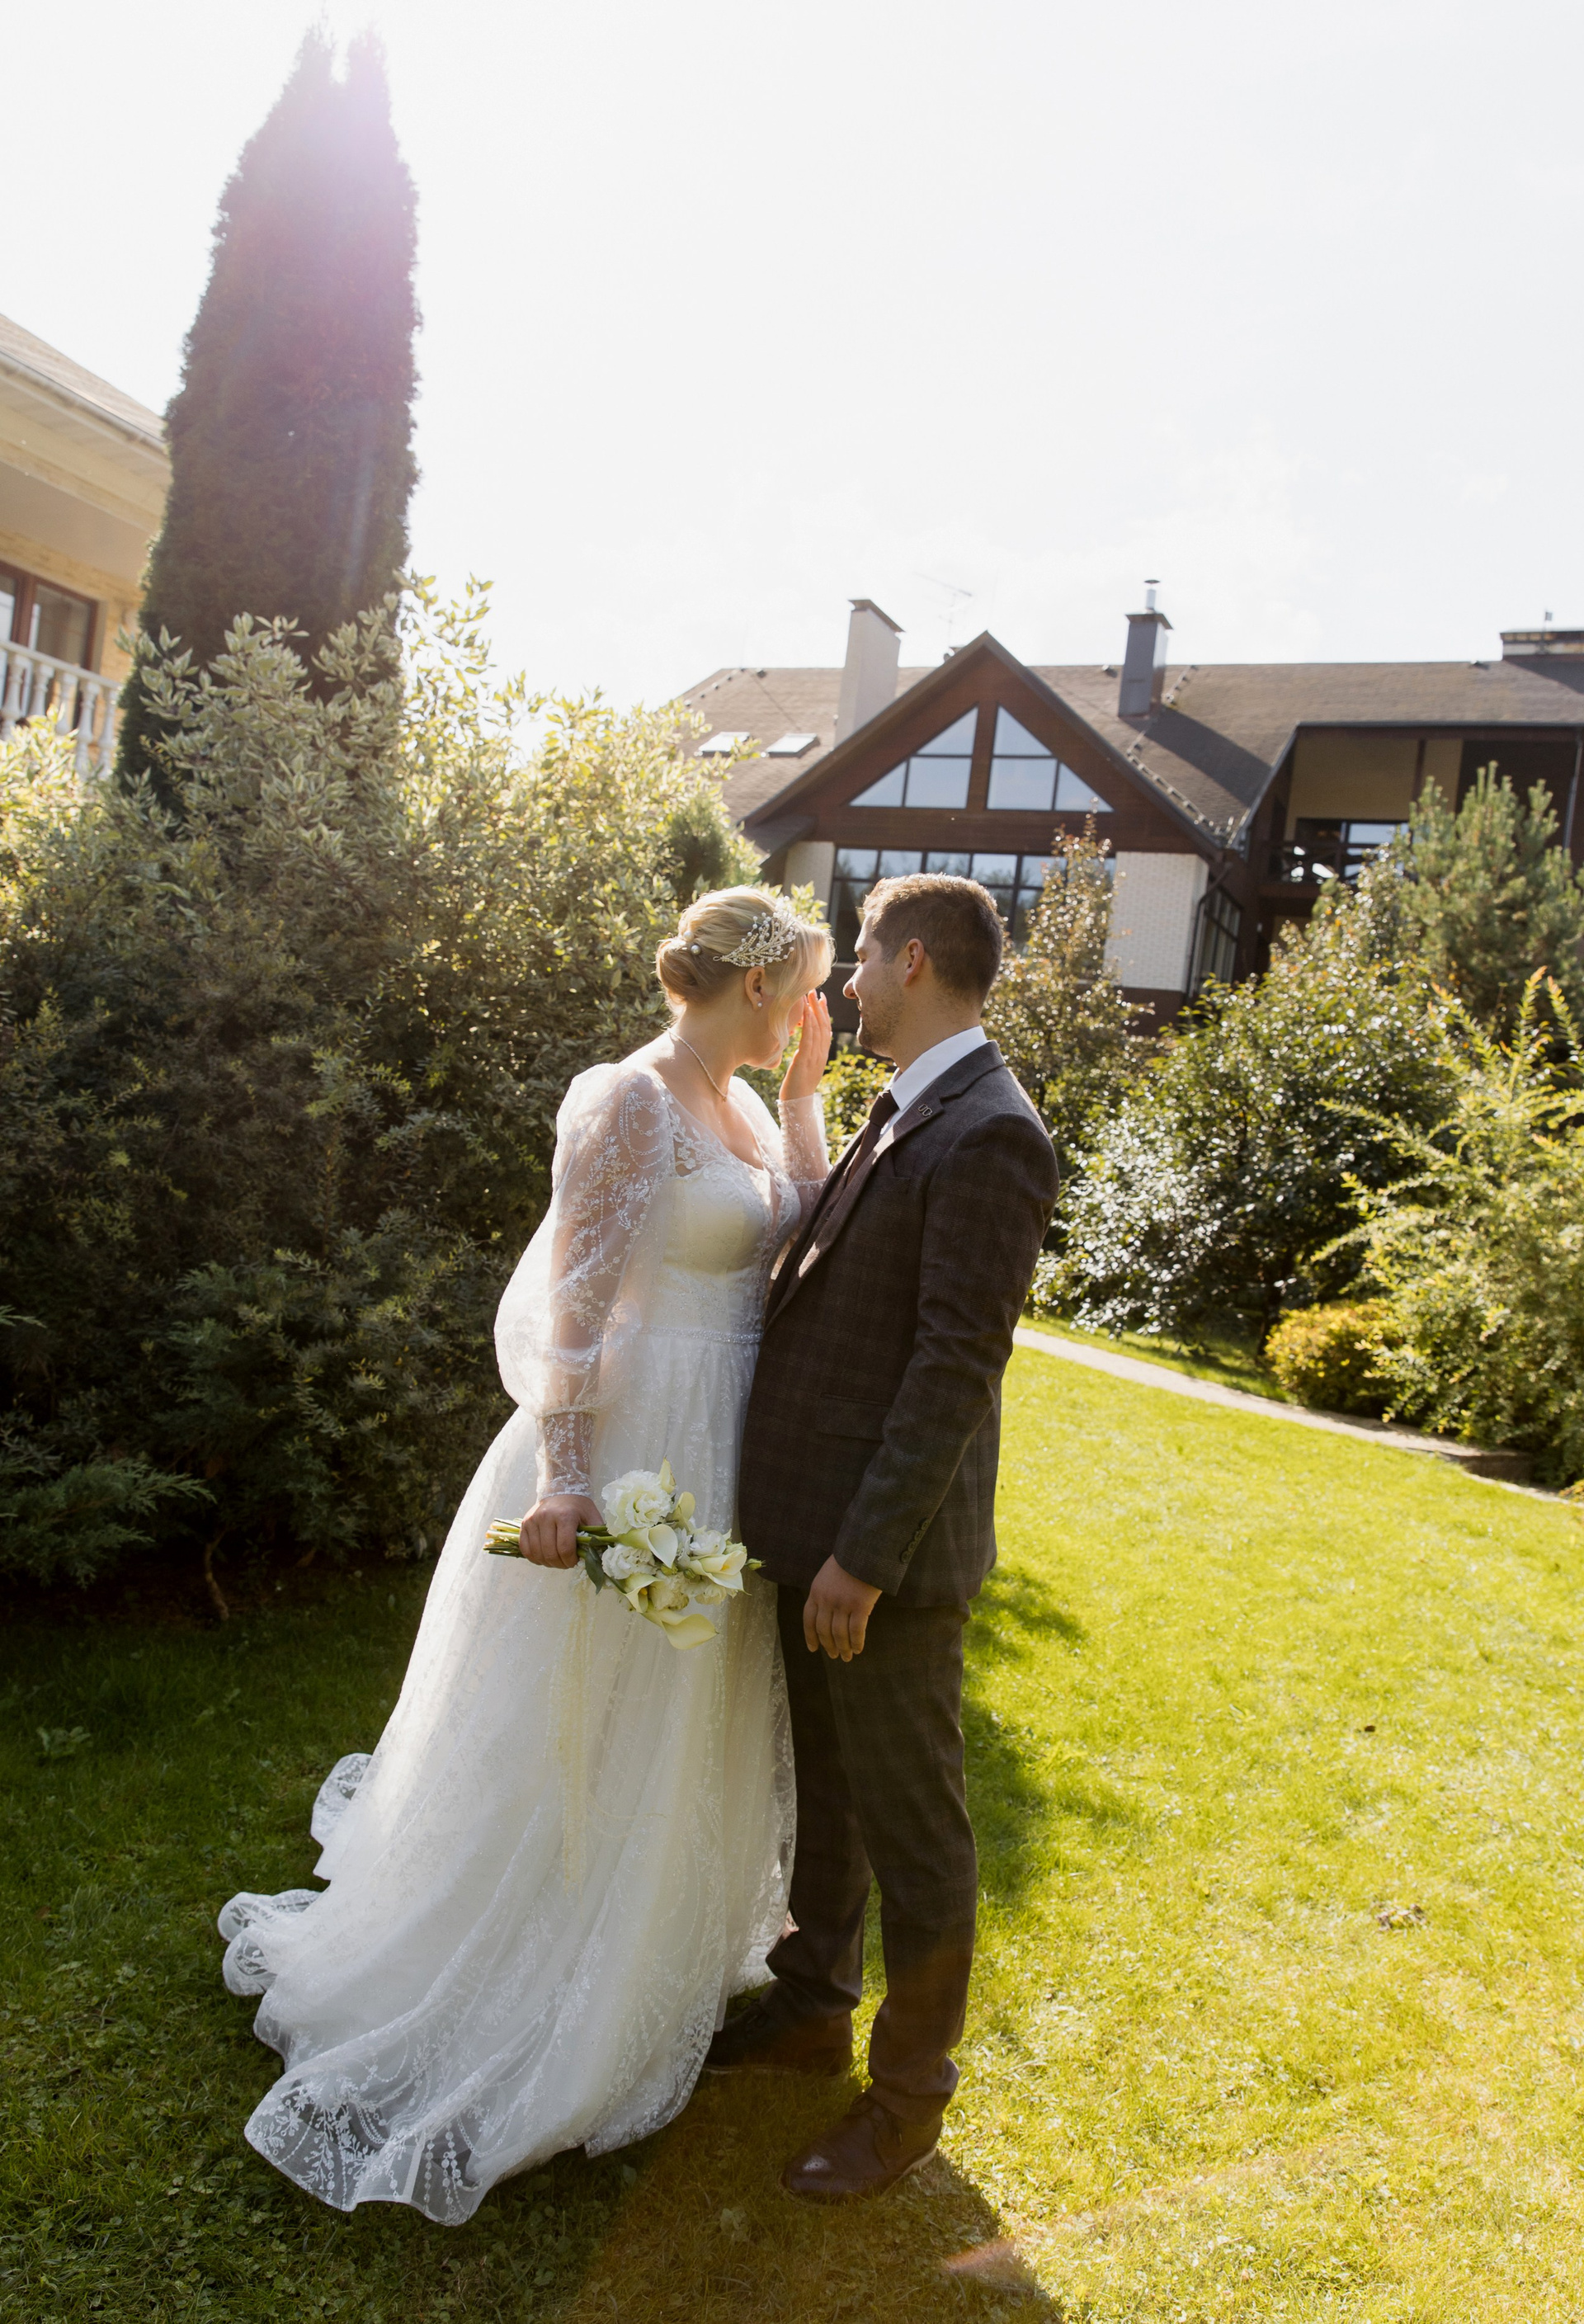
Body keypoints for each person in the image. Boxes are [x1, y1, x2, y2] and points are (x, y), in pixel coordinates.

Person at [217, 888, 832, 2224]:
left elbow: (807, 1218)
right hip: (634, 1446)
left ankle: (645, 1937)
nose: (807, 1014)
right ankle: (531, 1955)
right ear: (755, 986)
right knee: (580, 1712)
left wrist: (802, 1095)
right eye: (800, 993)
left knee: (680, 1714)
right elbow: (576, 1296)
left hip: (726, 1446)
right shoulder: (629, 1099)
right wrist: (566, 1479)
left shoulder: (741, 1098)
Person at [713, 873, 1061, 2202]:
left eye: (859, 954)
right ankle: (812, 2005)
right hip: (820, 1532)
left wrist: (863, 1557)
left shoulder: (993, 1133)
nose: (847, 980)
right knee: (832, 1794)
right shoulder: (910, 1100)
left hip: (886, 1563)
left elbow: (953, 1367)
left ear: (912, 961)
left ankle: (909, 2099)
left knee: (917, 1832)